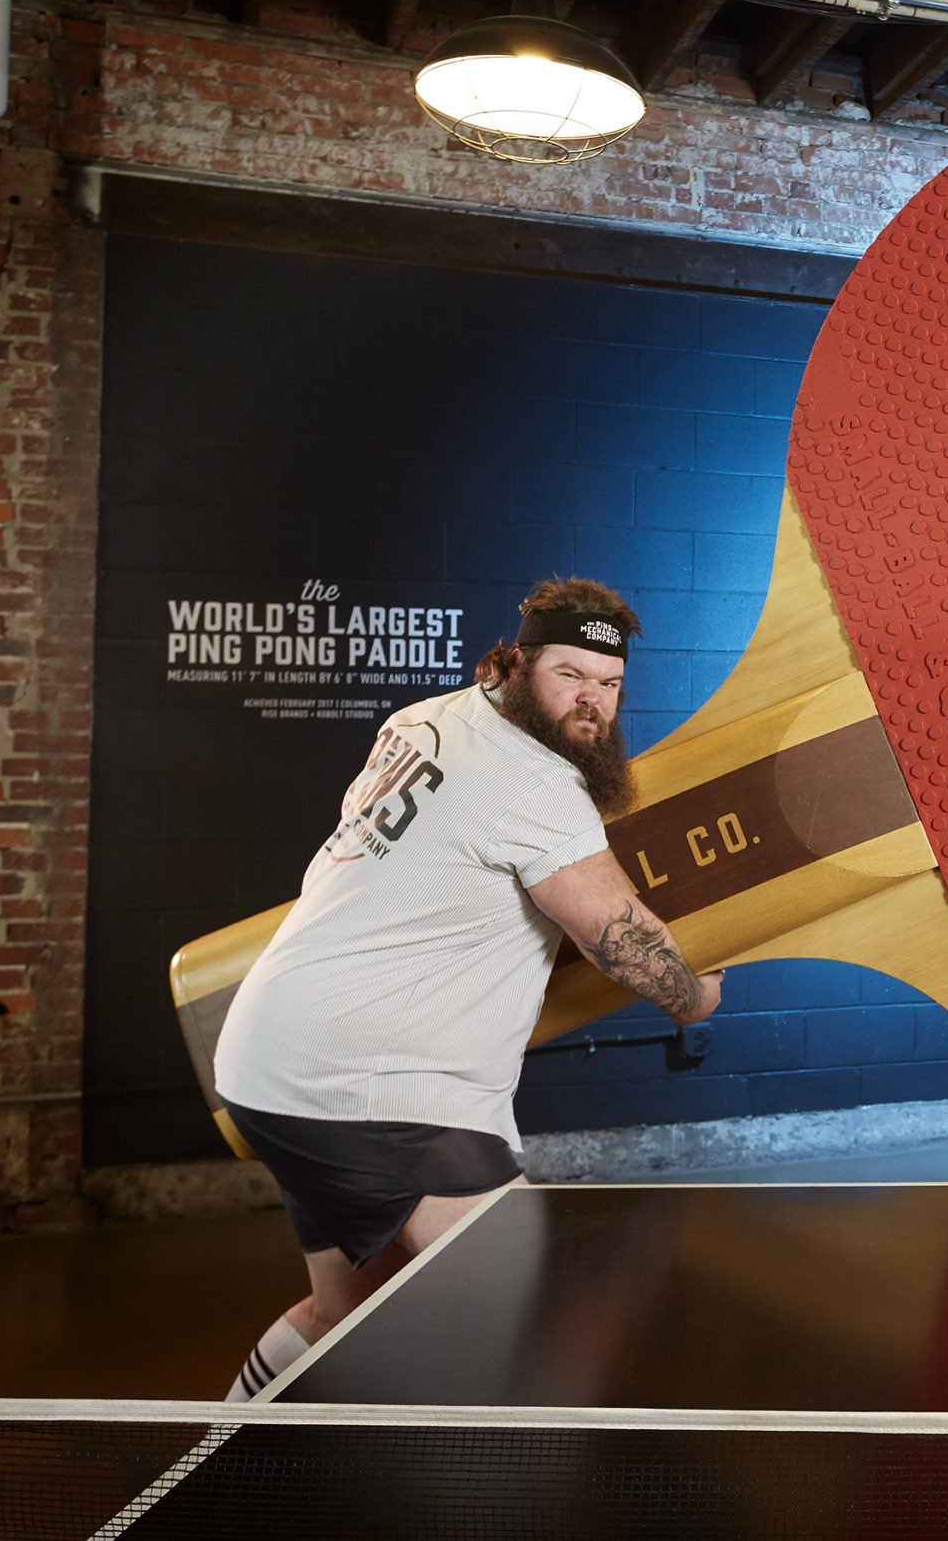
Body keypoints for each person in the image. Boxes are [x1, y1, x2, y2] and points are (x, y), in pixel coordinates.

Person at [213, 577, 719, 1401]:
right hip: (373, 1087)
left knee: (343, 1310)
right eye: (569, 674)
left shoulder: (424, 719)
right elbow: (618, 939)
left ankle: (212, 1461)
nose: (591, 700)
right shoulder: (539, 785)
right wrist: (695, 997)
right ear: (518, 662)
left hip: (272, 1061)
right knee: (526, 1322)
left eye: (609, 682)